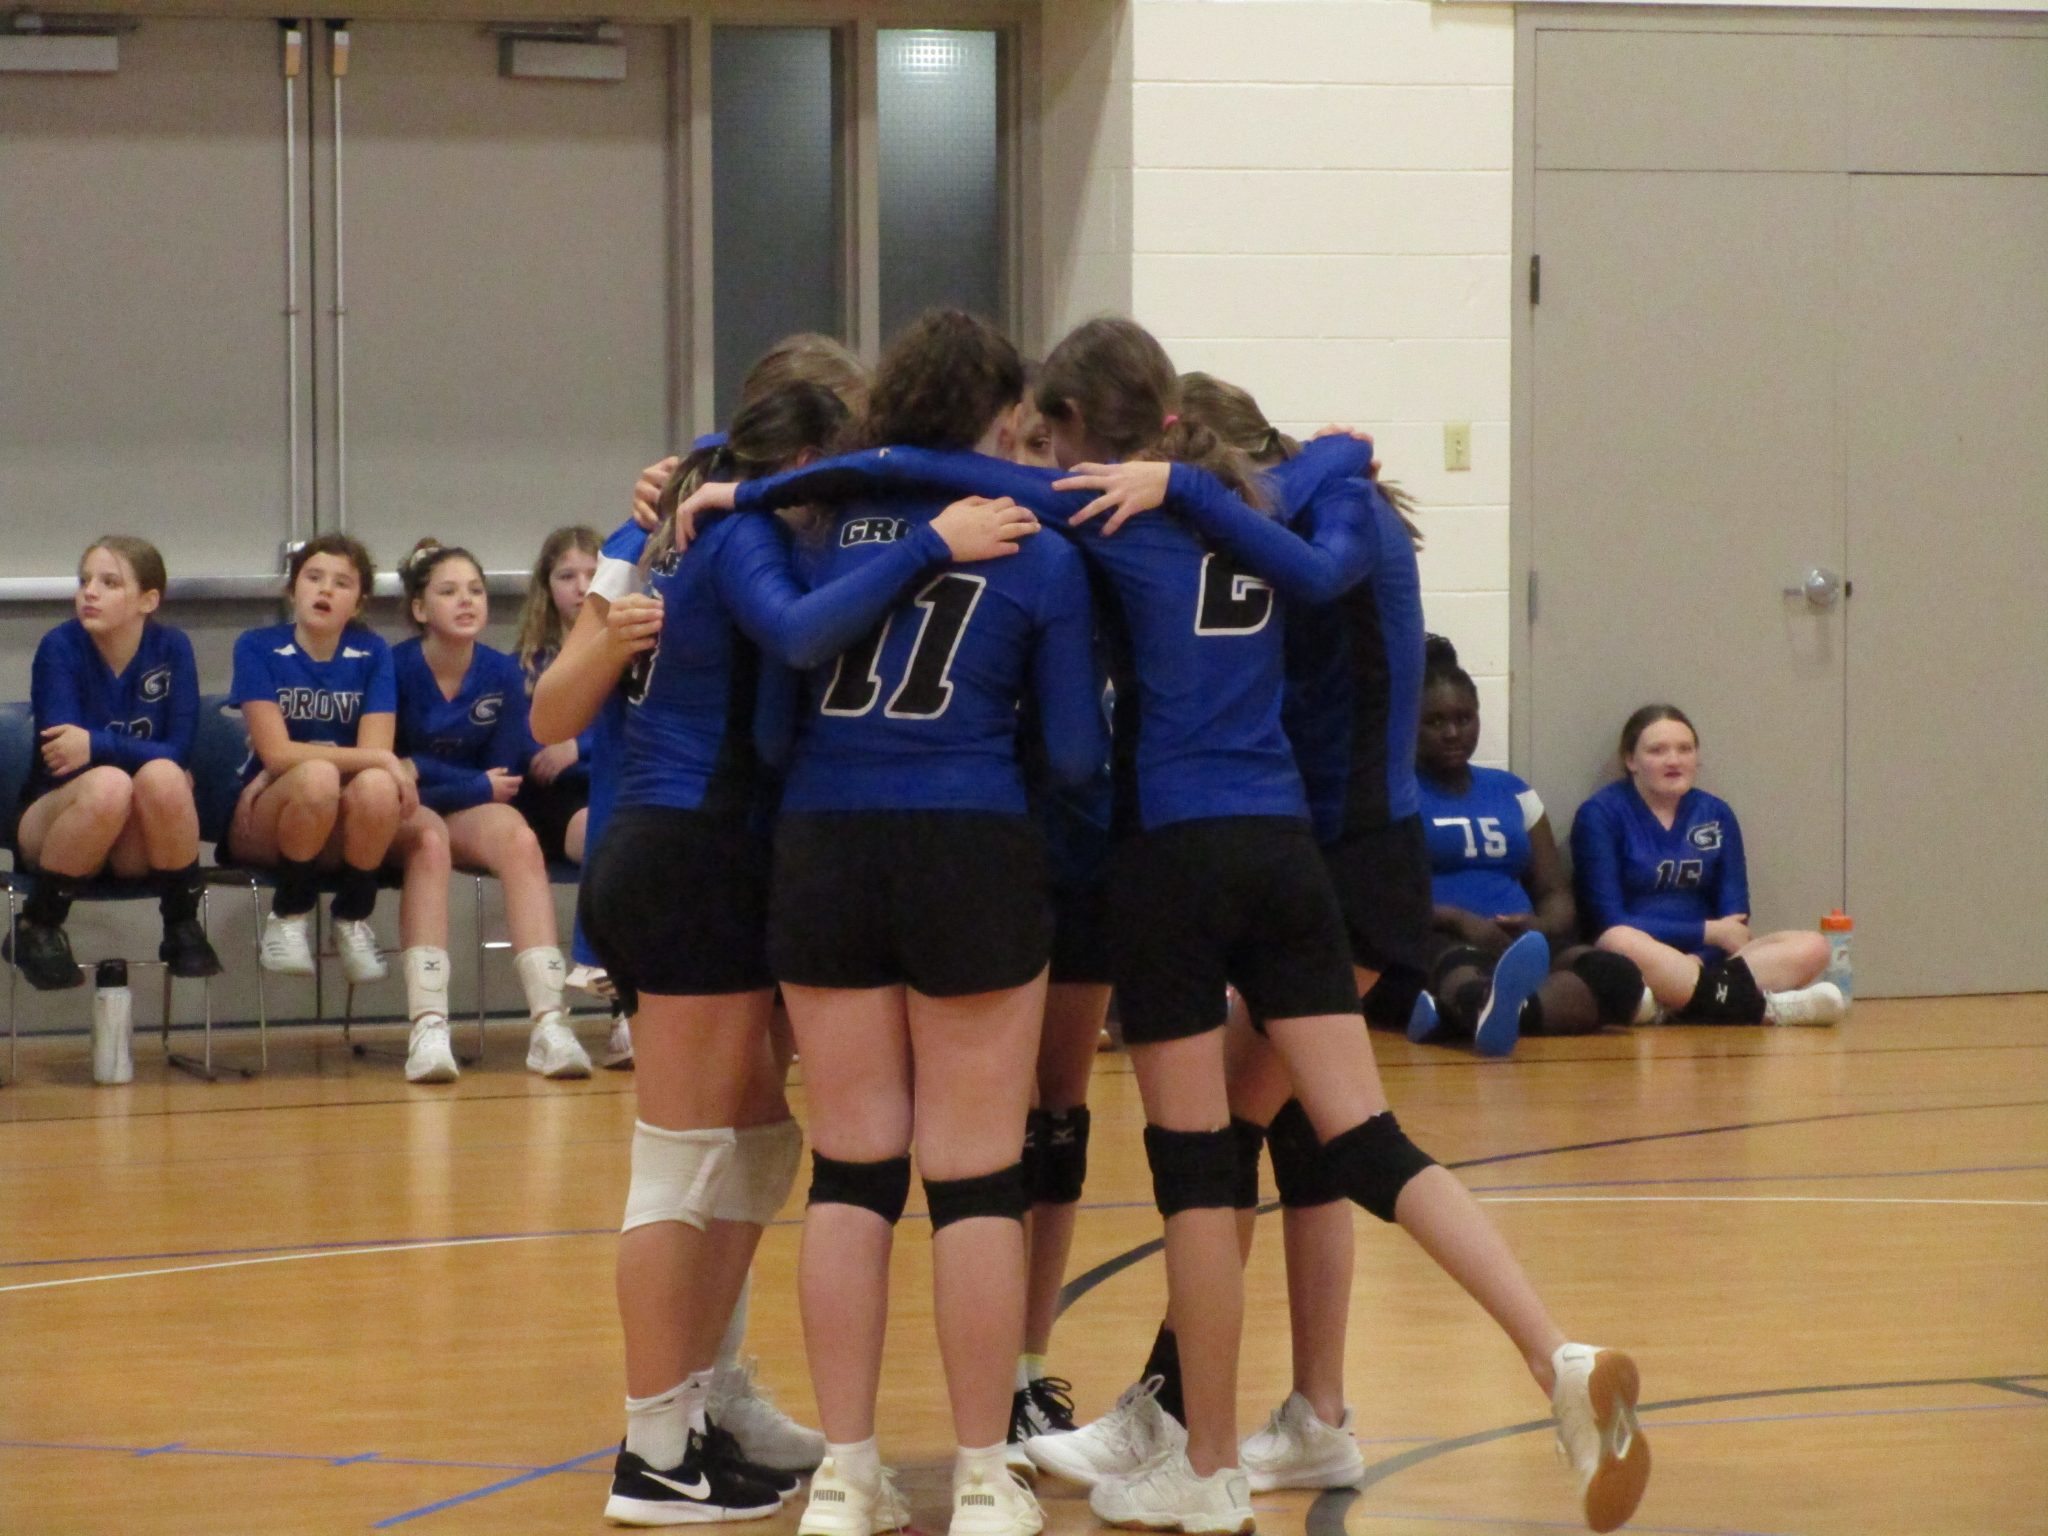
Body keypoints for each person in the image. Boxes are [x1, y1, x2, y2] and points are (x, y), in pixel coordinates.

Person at [730, 327, 1652, 1535]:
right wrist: (1316, 455)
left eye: (1049, 435)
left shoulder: (1103, 520)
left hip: (1172, 854)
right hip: (1292, 852)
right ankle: (1548, 1352)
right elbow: (1324, 500)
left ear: (1084, 433)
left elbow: (973, 510)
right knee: (1358, 1138)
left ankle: (1207, 1464)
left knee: (1198, 1175)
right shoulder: (1273, 510)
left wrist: (755, 488)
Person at [544, 372, 1045, 1529]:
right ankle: (653, 1447)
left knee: (756, 1146)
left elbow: (567, 709)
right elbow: (761, 668)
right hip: (693, 851)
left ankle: (704, 1402)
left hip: (694, 850)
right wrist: (929, 545)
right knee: (683, 1161)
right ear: (811, 459)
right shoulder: (741, 533)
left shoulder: (678, 519)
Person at [675, 311, 1105, 1536]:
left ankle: (846, 1477)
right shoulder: (1031, 543)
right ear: (993, 419)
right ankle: (979, 1477)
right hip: (971, 846)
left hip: (824, 849)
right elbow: (1075, 754)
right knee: (975, 1177)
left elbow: (771, 731)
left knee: (852, 1168)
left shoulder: (811, 527)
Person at [226, 536, 465, 1083]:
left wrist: (372, 760)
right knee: (319, 776)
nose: (325, 590)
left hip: (343, 816)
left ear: (358, 601)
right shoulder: (257, 647)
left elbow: (374, 756)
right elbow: (277, 753)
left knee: (377, 787)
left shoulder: (371, 653)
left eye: (341, 582)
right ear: (292, 588)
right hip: (269, 817)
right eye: (314, 577)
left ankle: (353, 913)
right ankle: (289, 912)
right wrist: (370, 758)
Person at [394, 539, 591, 1081]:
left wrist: (443, 776)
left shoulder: (502, 672)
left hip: (464, 802)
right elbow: (390, 768)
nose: (467, 601)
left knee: (519, 837)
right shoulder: (394, 666)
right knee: (429, 840)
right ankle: (429, 1025)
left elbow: (503, 779)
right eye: (449, 592)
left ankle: (550, 1022)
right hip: (401, 810)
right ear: (420, 608)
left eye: (476, 591)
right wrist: (464, 782)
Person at [1406, 636, 1652, 1053]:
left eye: (1464, 719)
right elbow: (1383, 899)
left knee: (1619, 976)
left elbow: (1555, 891)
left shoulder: (1513, 791)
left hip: (1520, 946)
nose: (1452, 733)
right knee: (1459, 966)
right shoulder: (1396, 795)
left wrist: (1540, 926)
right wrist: (1460, 920)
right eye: (1435, 722)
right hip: (1443, 941)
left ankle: (1483, 1015)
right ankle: (1490, 1007)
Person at [9, 536, 219, 990]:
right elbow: (64, 758)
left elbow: (178, 750)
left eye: (109, 583)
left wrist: (97, 743)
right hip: (55, 820)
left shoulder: (172, 648)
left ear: (148, 600)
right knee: (110, 784)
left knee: (165, 778)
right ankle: (38, 923)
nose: (90, 592)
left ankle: (180, 923)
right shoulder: (60, 646)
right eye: (85, 580)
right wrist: (130, 754)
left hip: (131, 838)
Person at [1571, 706, 1843, 1027]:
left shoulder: (1716, 813)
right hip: (1640, 956)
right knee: (1617, 940)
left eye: (1685, 749)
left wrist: (1698, 961)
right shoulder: (1600, 814)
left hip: (1712, 958)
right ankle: (1765, 1010)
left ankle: (1675, 1002)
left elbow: (1735, 921)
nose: (1674, 760)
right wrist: (1708, 932)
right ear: (1631, 760)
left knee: (1813, 947)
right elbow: (1608, 919)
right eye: (1657, 751)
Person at [512, 525, 602, 867]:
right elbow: (534, 754)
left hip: (617, 780)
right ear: (547, 587)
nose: (583, 587)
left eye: (593, 574)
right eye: (567, 576)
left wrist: (577, 747)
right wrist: (560, 753)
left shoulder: (632, 652)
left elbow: (636, 733)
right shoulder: (525, 664)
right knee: (602, 833)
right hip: (557, 796)